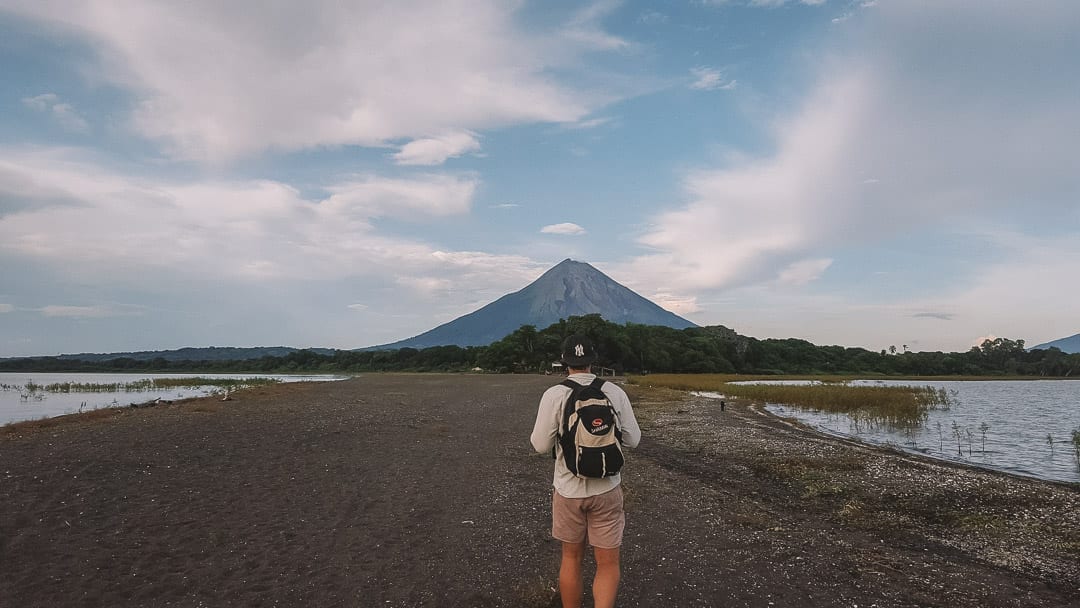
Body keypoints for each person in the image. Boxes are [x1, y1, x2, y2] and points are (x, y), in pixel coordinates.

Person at [530, 334, 641, 608]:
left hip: (568, 490)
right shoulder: (614, 392)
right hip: (607, 488)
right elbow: (634, 440)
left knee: (571, 558)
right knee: (607, 563)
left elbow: (540, 445)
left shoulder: (555, 394)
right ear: (593, 361)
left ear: (564, 361)